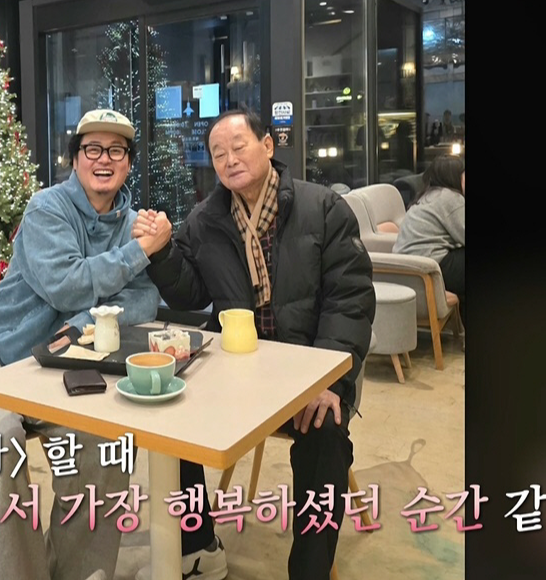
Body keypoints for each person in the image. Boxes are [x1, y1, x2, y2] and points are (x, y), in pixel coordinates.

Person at [132, 109, 375, 580]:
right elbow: (189, 294)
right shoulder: (205, 220)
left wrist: (329, 381)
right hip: (238, 371)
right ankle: (199, 546)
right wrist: (161, 252)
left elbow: (350, 300)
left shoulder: (323, 208)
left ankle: (309, 572)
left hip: (309, 375)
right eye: (218, 153)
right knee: (169, 415)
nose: (229, 159)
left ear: (267, 145)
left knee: (324, 435)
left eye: (239, 146)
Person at [0, 109, 168, 580]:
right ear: (75, 159)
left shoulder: (133, 222)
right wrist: (139, 252)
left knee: (111, 441)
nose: (104, 159)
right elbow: (66, 284)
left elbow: (145, 297)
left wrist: (86, 320)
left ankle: (79, 572)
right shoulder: (47, 208)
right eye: (93, 149)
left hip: (61, 367)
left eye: (116, 150)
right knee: (2, 442)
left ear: (129, 163)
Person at [392, 154, 465, 326]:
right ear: (454, 176)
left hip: (408, 269)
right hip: (431, 268)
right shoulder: (450, 198)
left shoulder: (428, 196)